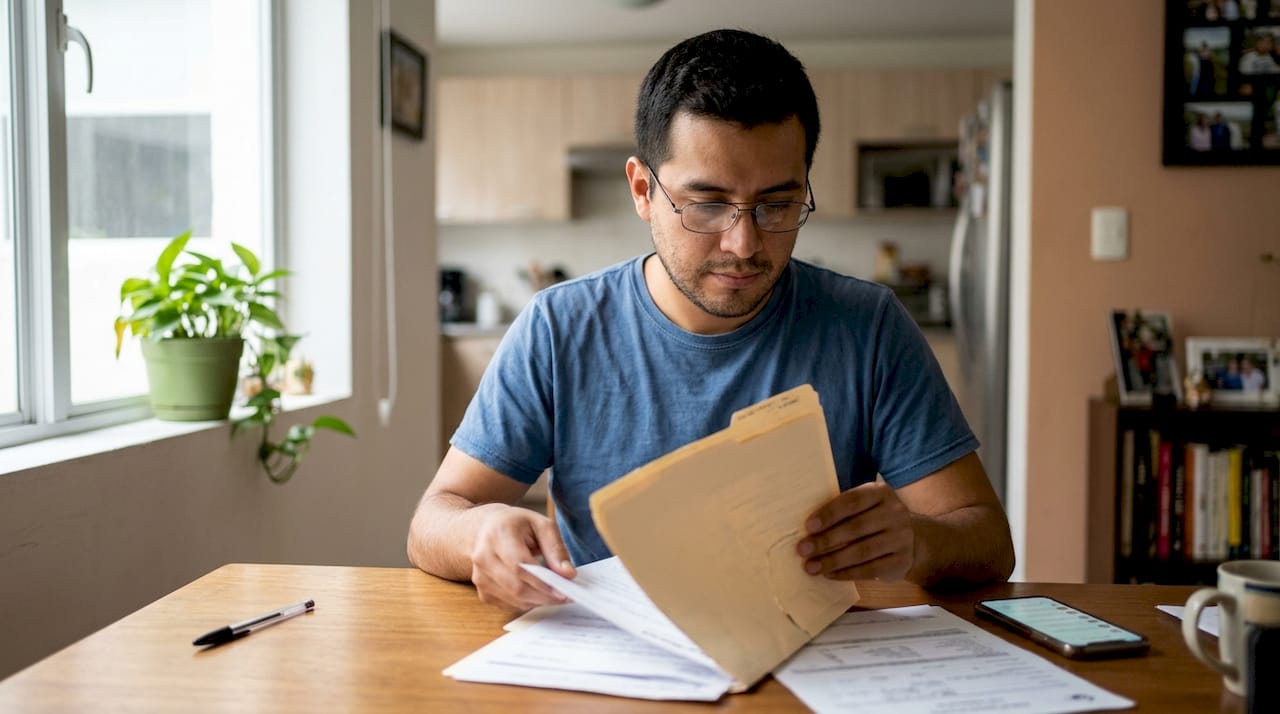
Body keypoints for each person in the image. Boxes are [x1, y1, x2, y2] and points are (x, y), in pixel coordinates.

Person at [406, 29, 1015, 612]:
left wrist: (918, 541)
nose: (744, 243)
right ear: (643, 189)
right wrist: (478, 532)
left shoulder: (866, 326)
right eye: (707, 204)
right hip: (613, 659)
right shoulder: (558, 328)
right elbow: (434, 520)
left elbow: (987, 539)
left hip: (808, 656)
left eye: (777, 204)